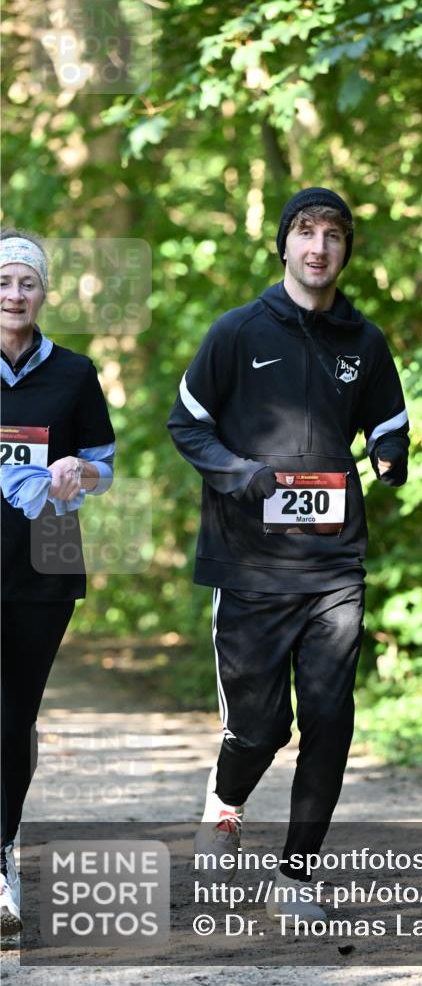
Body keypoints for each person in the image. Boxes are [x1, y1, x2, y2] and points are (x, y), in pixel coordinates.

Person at [168, 188, 408, 923]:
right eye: (305, 232)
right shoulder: (237, 332)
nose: (318, 247)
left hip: (334, 566)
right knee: (259, 729)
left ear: (344, 251)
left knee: (331, 720)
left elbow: (388, 418)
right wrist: (240, 475)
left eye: (333, 235)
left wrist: (389, 454)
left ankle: (297, 877)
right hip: (249, 566)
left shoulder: (362, 342)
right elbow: (188, 424)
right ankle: (225, 806)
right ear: (284, 244)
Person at [0, 229, 116, 935]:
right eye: (3, 282)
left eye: (26, 283)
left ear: (44, 293)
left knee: (14, 718)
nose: (14, 295)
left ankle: (2, 846)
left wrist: (82, 472)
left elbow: (105, 466)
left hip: (44, 564)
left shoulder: (73, 374)